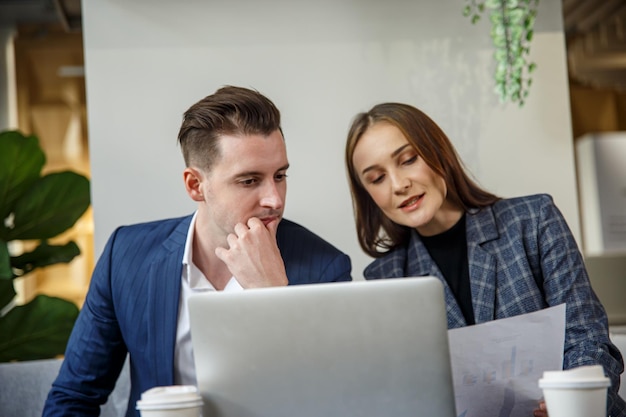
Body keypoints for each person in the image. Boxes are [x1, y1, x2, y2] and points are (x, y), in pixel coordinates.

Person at [43, 86, 352, 417]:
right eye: (249, 181)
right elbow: (74, 395)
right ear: (195, 185)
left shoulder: (325, 268)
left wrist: (273, 298)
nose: (274, 199)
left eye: (280, 175)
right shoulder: (126, 256)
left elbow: (334, 402)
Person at [344, 102, 625, 417]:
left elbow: (587, 337)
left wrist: (568, 402)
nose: (398, 185)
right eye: (377, 178)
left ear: (438, 152)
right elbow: (402, 391)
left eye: (408, 160)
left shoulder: (533, 220)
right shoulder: (386, 278)